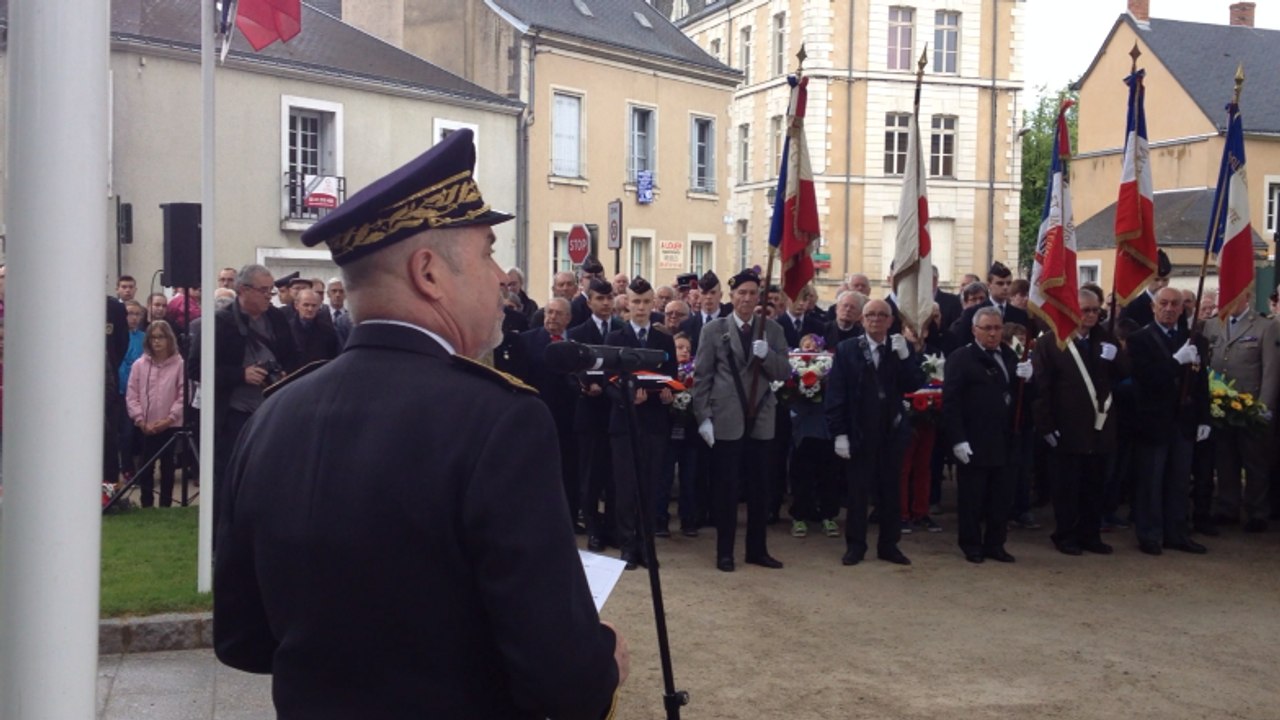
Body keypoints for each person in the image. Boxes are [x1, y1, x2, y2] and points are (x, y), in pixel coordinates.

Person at [214, 129, 627, 718]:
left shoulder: (275, 413)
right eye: (486, 254)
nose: (499, 279)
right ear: (429, 273)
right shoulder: (500, 421)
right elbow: (566, 685)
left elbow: (243, 640)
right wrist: (605, 659)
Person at [691, 268, 791, 572]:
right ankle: (725, 552)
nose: (747, 299)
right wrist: (703, 417)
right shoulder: (714, 330)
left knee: (760, 488)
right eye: (741, 293)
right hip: (726, 417)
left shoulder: (772, 330)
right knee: (727, 488)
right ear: (731, 297)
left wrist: (768, 355)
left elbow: (784, 372)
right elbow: (702, 377)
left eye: (752, 293)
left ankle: (757, 550)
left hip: (760, 415)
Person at [825, 299, 925, 566]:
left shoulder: (898, 348)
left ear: (891, 321)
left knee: (891, 492)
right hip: (859, 430)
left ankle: (889, 545)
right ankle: (856, 546)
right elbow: (836, 394)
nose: (876, 319)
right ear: (862, 319)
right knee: (858, 494)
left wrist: (907, 358)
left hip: (891, 431)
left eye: (882, 315)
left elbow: (914, 385)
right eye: (871, 315)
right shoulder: (848, 349)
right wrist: (839, 433)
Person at [1032, 287, 1127, 556]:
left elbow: (1125, 375)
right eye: (1085, 310)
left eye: (1096, 310)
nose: (1091, 315)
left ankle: (1090, 534)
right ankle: (1065, 535)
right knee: (1067, 487)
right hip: (1068, 426)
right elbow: (1042, 389)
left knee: (1095, 485)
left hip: (1099, 427)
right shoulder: (1050, 342)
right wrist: (1046, 427)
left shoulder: (1105, 339)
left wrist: (1117, 357)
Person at [943, 306, 1033, 563]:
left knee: (1001, 498)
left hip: (1006, 439)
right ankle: (971, 543)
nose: (994, 334)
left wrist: (1030, 379)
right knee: (973, 497)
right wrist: (958, 439)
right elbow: (951, 402)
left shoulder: (1009, 355)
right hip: (975, 438)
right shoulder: (961, 358)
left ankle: (996, 543)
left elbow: (1022, 400)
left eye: (997, 328)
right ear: (974, 330)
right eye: (988, 328)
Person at [1125, 287, 1210, 556]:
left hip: (1183, 421)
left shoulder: (1194, 338)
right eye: (1163, 303)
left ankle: (1177, 533)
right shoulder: (1139, 339)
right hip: (1153, 421)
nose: (1169, 308)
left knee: (1180, 480)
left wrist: (1204, 417)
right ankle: (1150, 534)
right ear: (1153, 307)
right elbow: (1145, 379)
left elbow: (1201, 382)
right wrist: (1175, 362)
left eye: (1175, 304)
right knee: (1151, 480)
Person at [605, 277, 677, 569]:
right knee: (625, 488)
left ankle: (647, 548)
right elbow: (607, 382)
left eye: (647, 302)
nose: (641, 308)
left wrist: (670, 394)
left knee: (650, 486)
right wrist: (627, 397)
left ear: (653, 304)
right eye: (636, 302)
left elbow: (671, 376)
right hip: (624, 423)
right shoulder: (616, 338)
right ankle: (627, 546)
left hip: (654, 423)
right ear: (627, 304)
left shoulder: (663, 339)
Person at [207, 264, 298, 491]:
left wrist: (286, 373)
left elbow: (293, 355)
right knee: (230, 475)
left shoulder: (277, 318)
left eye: (271, 291)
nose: (270, 296)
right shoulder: (220, 322)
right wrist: (241, 374)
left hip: (272, 409)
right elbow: (197, 369)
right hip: (234, 415)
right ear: (243, 290)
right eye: (264, 290)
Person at [1204, 291, 1278, 532]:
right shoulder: (1212, 325)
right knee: (1225, 459)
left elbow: (1270, 371)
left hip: (1251, 406)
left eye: (1232, 294)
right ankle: (1228, 507)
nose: (1227, 301)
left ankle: (1257, 511)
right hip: (1221, 405)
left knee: (1255, 461)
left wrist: (1264, 407)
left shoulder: (1265, 327)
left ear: (1246, 295)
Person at [514, 297, 579, 530]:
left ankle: (569, 521)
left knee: (569, 471)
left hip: (571, 420)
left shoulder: (576, 344)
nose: (552, 317)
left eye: (558, 313)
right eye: (549, 312)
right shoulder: (526, 341)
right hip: (538, 415)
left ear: (568, 318)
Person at [569, 277, 624, 552]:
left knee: (615, 475)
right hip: (590, 412)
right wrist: (584, 384)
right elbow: (570, 369)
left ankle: (613, 527)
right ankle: (593, 529)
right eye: (599, 299)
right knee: (591, 476)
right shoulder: (578, 332)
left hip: (616, 412)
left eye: (608, 298)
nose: (605, 303)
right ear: (589, 301)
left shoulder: (622, 330)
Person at [126, 320, 185, 508]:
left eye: (160, 337)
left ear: (169, 339)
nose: (156, 342)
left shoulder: (179, 364)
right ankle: (146, 504)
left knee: (168, 467)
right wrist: (140, 419)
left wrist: (170, 419)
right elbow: (132, 394)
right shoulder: (139, 365)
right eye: (152, 338)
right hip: (146, 425)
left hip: (169, 424)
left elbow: (183, 394)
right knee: (146, 467)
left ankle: (166, 505)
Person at [953, 262, 1029, 347]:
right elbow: (962, 342)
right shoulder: (971, 313)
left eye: (1008, 283)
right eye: (1000, 283)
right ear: (989, 285)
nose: (1005, 287)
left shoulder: (1020, 315)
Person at [679, 270, 728, 355]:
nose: (708, 297)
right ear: (699, 296)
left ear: (720, 295)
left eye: (713, 293)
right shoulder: (687, 325)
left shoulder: (729, 320)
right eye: (704, 293)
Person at [1119, 249, 1172, 329]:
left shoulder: (1176, 306)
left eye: (1165, 280)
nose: (1161, 284)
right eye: (1156, 279)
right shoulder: (1132, 307)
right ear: (1146, 279)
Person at [290, 288, 341, 364]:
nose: (310, 309)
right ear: (296, 305)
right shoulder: (286, 329)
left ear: (319, 307)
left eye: (314, 306)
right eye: (306, 305)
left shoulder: (328, 331)